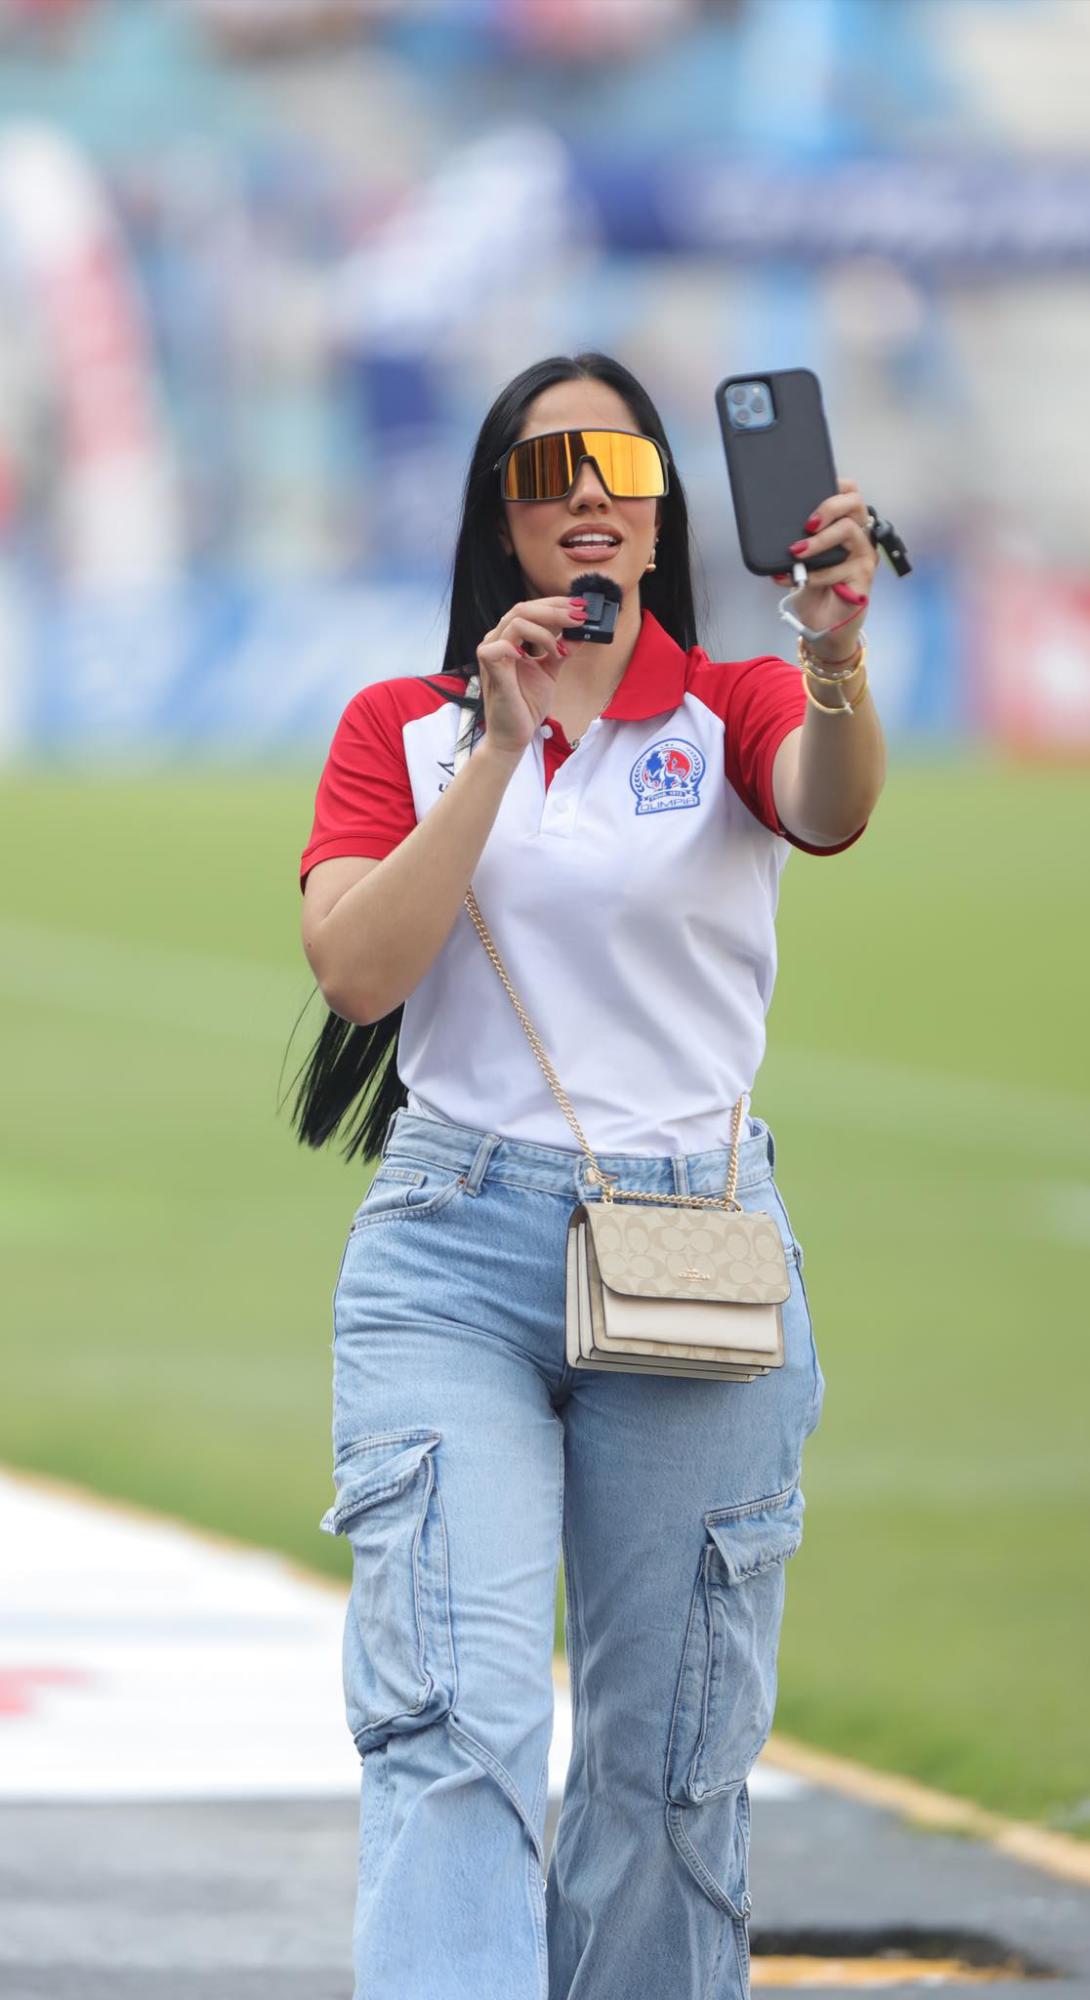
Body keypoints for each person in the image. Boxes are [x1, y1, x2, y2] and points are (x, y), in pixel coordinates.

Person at [291, 350, 886, 2000]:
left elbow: (830, 808)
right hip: (450, 1257)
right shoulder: (401, 730)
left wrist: (832, 660)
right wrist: (495, 742)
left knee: (667, 1764)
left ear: (661, 506)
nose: (588, 498)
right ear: (502, 520)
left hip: (692, 1240)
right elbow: (358, 973)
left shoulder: (735, 705)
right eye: (547, 473)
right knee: (454, 1718)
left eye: (618, 465)